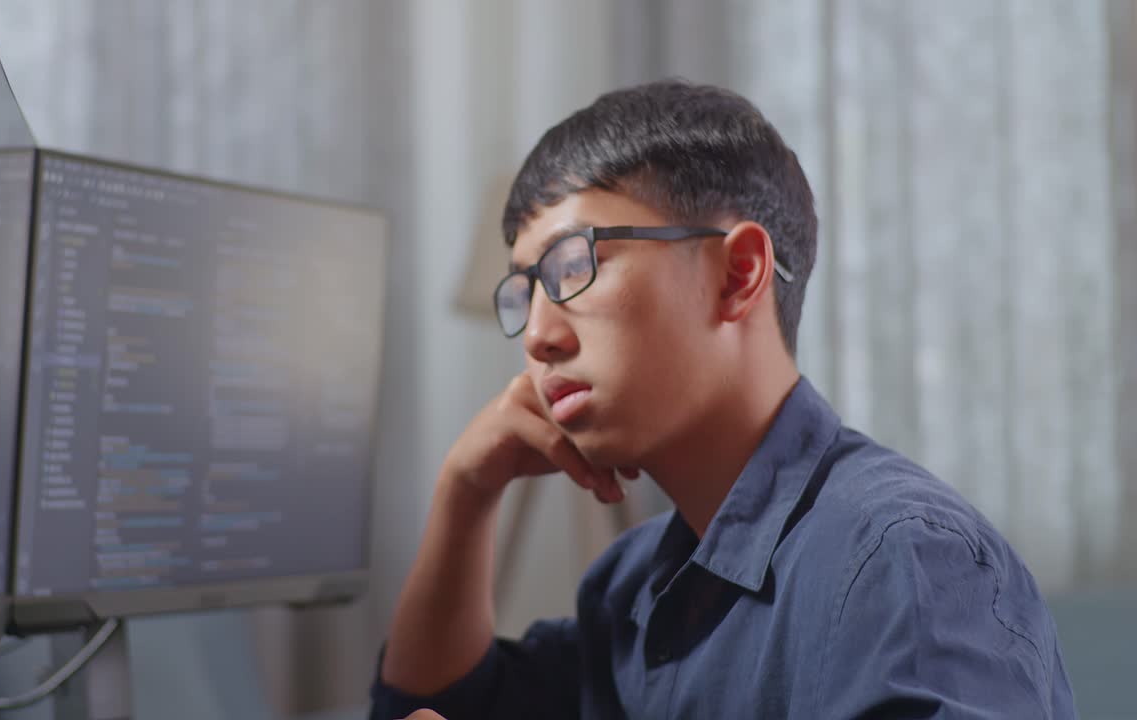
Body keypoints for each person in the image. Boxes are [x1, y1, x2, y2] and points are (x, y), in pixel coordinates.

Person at [369, 80, 1076, 719]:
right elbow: (435, 702)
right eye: (524, 294)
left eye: (574, 266)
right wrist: (466, 492)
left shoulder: (901, 560)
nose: (539, 334)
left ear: (739, 275)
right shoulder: (630, 584)